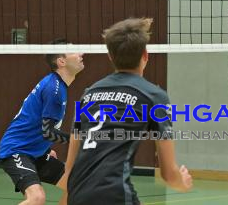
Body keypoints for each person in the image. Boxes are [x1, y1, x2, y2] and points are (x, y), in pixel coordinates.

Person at [60, 18, 193, 205]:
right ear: (145, 55)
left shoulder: (88, 95)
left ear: (110, 56)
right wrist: (183, 183)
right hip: (114, 194)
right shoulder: (153, 96)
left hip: (78, 195)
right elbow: (169, 175)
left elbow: (71, 167)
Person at [0, 38, 85, 205]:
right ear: (61, 61)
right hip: (16, 150)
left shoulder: (58, 86)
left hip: (35, 153)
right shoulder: (54, 90)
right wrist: (77, 138)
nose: (82, 53)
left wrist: (45, 149)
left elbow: (40, 125)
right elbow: (49, 132)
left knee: (78, 185)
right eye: (75, 51)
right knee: (37, 198)